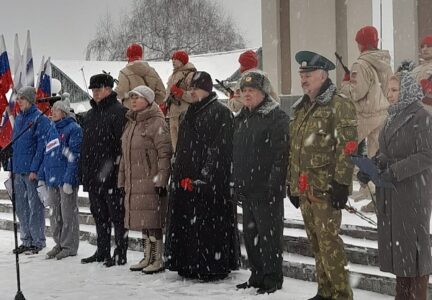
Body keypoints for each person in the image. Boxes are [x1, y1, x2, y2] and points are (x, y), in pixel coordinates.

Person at [288, 51, 358, 300]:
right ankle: (325, 291)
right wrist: (292, 184)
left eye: (308, 75)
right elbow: (295, 148)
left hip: (326, 190)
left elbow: (348, 147)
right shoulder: (303, 107)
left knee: (330, 246)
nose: (303, 79)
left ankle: (341, 294)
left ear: (323, 75)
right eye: (301, 75)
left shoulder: (338, 104)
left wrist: (341, 183)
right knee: (316, 245)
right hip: (306, 190)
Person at [357, 69, 432, 300]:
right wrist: (370, 167)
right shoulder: (391, 117)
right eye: (388, 90)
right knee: (401, 253)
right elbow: (385, 152)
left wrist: (395, 172)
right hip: (392, 195)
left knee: (415, 253)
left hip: (413, 194)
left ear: (407, 90)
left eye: (394, 90)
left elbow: (426, 155)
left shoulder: (422, 117)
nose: (389, 95)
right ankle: (402, 295)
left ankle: (417, 295)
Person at [165, 71, 239, 281]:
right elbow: (182, 146)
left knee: (209, 225)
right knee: (189, 224)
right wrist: (179, 173)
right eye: (191, 89)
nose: (192, 93)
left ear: (207, 89)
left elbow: (219, 150)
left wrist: (204, 178)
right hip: (187, 179)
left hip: (210, 183)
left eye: (196, 88)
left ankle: (210, 265)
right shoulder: (189, 112)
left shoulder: (220, 112)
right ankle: (188, 262)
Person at [232, 71, 289, 294]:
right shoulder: (241, 118)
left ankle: (272, 279)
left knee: (270, 237)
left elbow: (281, 155)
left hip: (266, 190)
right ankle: (257, 275)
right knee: (251, 235)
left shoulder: (276, 117)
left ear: (263, 93)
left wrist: (273, 185)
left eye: (251, 91)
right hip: (246, 189)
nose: (247, 95)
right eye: (244, 91)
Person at [118, 85, 172, 273]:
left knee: (153, 220)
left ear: (148, 100)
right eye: (131, 97)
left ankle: (157, 258)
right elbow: (125, 155)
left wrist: (162, 180)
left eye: (137, 97)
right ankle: (147, 256)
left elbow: (164, 153)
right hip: (135, 181)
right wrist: (122, 180)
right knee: (143, 220)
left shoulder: (156, 122)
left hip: (151, 180)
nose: (133, 100)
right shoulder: (131, 122)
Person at [340, 26, 393, 210]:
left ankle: (341, 189)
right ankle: (377, 196)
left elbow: (356, 93)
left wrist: (346, 83)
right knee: (376, 159)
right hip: (383, 114)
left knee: (343, 151)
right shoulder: (385, 63)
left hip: (363, 116)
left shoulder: (360, 64)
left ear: (360, 44)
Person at [79, 73, 129, 267]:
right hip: (93, 175)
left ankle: (120, 252)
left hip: (112, 174)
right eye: (93, 89)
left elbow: (121, 146)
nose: (95, 93)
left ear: (109, 89)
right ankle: (102, 250)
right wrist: (83, 172)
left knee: (117, 217)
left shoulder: (119, 112)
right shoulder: (90, 115)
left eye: (98, 89)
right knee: (99, 215)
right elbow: (85, 147)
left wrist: (116, 170)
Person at [10, 86, 54, 254]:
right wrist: (11, 166)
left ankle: (38, 240)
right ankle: (26, 239)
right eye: (18, 98)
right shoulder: (19, 118)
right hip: (18, 169)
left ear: (29, 100)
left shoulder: (39, 119)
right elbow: (15, 144)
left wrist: (35, 168)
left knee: (35, 206)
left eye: (22, 98)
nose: (19, 101)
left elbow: (41, 147)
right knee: (21, 207)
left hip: (31, 171)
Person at [39, 96, 82, 260]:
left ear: (64, 112)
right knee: (54, 214)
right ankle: (59, 243)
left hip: (65, 179)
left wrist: (69, 179)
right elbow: (46, 154)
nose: (53, 112)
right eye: (53, 109)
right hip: (51, 178)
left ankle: (69, 246)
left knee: (67, 214)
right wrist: (42, 176)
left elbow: (74, 156)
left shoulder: (74, 129)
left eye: (57, 110)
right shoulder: (51, 129)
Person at [115, 43, 166, 108]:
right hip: (150, 112)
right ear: (141, 55)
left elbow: (122, 93)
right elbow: (162, 94)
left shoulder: (124, 72)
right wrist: (149, 103)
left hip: (132, 113)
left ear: (128, 56)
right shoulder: (152, 71)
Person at [164, 50, 197, 151]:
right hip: (173, 115)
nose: (173, 61)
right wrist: (164, 104)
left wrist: (181, 93)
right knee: (175, 146)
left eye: (176, 59)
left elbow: (195, 96)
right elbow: (168, 93)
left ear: (182, 61)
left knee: (185, 145)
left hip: (185, 115)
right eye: (172, 59)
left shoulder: (190, 75)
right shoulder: (172, 76)